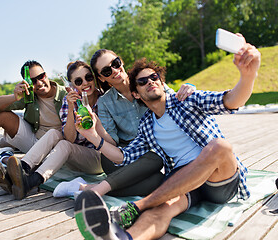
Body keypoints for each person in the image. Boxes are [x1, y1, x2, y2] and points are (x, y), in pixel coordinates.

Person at [74, 34, 261, 240]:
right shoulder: (147, 125)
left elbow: (230, 100)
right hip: (185, 180)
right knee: (159, 211)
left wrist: (247, 76)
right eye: (143, 82)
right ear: (136, 94)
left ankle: (136, 206)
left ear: (162, 82)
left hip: (220, 179)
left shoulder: (187, 100)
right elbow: (122, 157)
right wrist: (91, 135)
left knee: (220, 146)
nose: (150, 82)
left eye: (154, 78)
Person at [53, 49, 196, 198]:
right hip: (125, 155)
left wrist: (190, 88)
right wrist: (97, 126)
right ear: (101, 78)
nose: (115, 70)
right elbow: (112, 142)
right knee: (149, 165)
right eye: (107, 71)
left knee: (157, 178)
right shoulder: (105, 101)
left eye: (115, 63)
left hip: (155, 154)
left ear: (121, 61)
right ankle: (95, 187)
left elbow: (177, 101)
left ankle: (86, 187)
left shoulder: (146, 82)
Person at [0, 60, 111, 200]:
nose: (85, 83)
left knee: (64, 145)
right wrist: (71, 108)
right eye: (78, 81)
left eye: (88, 78)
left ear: (94, 78)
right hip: (77, 156)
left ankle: (19, 179)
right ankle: (22, 171)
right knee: (54, 133)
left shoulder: (105, 100)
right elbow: (70, 138)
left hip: (99, 157)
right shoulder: (68, 101)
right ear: (72, 85)